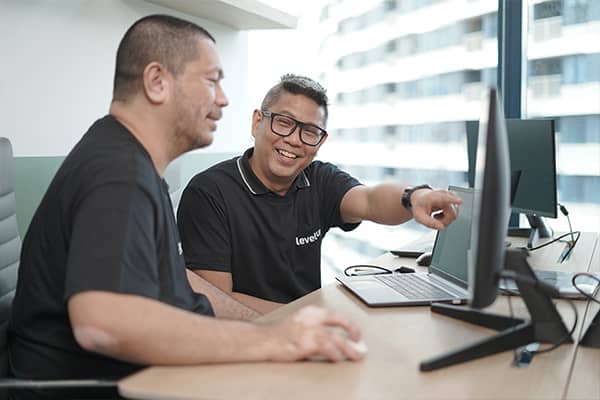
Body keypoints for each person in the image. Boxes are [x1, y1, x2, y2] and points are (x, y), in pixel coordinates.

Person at [7, 15, 364, 396]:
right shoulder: (118, 174)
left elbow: (180, 284)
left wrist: (273, 325)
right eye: (212, 81)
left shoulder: (131, 163)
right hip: (93, 386)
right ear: (157, 82)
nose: (223, 98)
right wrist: (276, 342)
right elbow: (103, 324)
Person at [177, 74, 463, 315]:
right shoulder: (208, 193)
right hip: (244, 343)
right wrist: (306, 319)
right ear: (257, 123)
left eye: (310, 132)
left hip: (309, 339)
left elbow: (370, 200)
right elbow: (215, 303)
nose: (294, 140)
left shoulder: (318, 179)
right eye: (284, 123)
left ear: (320, 141)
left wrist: (413, 197)